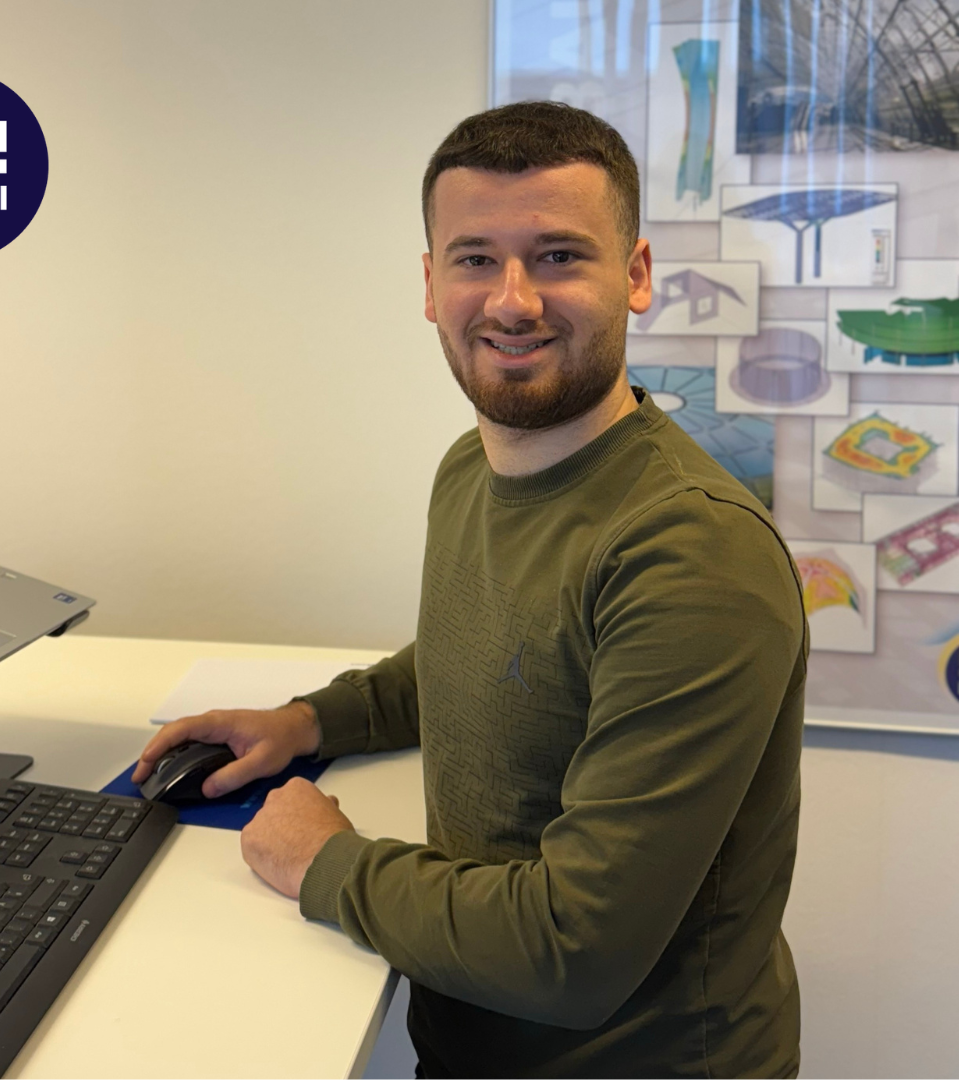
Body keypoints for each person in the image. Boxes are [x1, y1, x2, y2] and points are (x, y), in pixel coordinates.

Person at [133, 101, 807, 1079]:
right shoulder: (472, 469)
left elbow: (575, 950)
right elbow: (486, 659)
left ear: (638, 274)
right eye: (476, 258)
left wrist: (329, 864)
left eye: (560, 256)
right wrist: (308, 722)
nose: (513, 300)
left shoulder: (691, 553)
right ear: (429, 282)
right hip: (472, 1033)